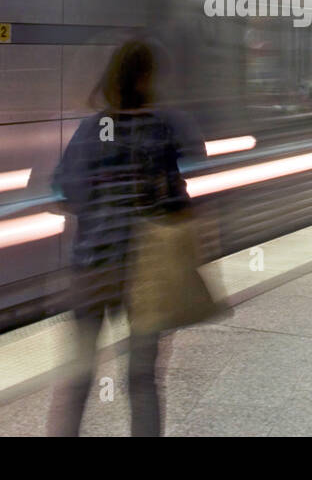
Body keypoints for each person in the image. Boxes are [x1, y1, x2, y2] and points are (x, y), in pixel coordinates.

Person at [47, 38, 203, 437]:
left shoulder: (92, 128)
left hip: (94, 264)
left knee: (79, 375)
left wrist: (96, 205)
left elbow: (66, 186)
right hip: (147, 268)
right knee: (142, 378)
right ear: (148, 77)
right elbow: (183, 180)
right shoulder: (164, 126)